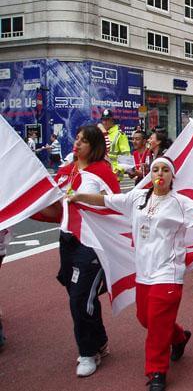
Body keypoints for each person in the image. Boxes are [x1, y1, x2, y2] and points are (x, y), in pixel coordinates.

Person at [70, 157, 193, 391]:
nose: (160, 173)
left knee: (156, 324)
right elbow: (106, 200)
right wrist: (79, 197)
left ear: (172, 176)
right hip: (144, 271)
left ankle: (157, 372)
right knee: (146, 318)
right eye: (156, 169)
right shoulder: (137, 198)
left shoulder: (179, 202)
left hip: (168, 272)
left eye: (166, 170)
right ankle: (179, 337)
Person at [34, 125, 119, 377]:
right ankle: (100, 340)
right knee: (80, 296)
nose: (77, 143)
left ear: (94, 146)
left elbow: (115, 206)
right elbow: (55, 209)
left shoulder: (102, 172)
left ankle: (87, 351)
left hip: (91, 243)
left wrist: (83, 198)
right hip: (67, 240)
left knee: (79, 298)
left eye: (84, 141)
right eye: (77, 139)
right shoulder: (65, 171)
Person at [100, 109, 131, 177]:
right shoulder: (100, 133)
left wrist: (119, 171)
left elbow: (126, 155)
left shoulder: (120, 134)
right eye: (103, 120)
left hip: (114, 172)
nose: (105, 122)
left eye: (107, 120)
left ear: (112, 120)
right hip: (101, 171)